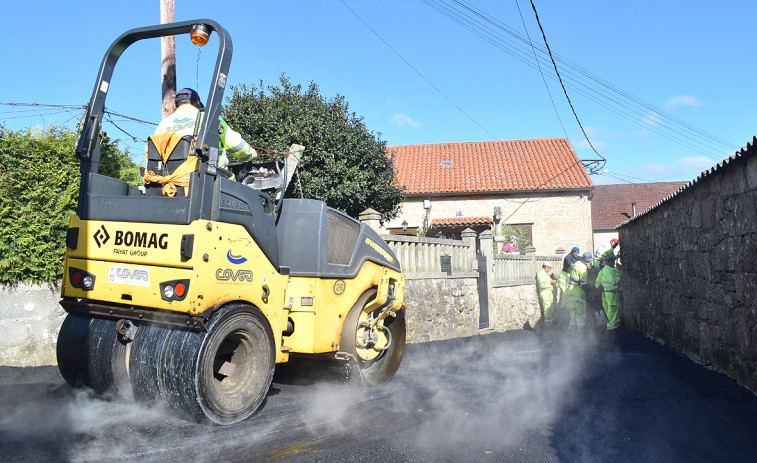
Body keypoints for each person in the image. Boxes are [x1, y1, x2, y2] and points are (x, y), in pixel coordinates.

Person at [155, 88, 257, 167]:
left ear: (176, 105)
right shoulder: (208, 117)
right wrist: (251, 154)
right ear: (198, 102)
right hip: (210, 179)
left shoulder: (164, 124)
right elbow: (234, 143)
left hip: (171, 180)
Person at [564, 251, 590, 330]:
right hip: (578, 291)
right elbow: (583, 283)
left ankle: (571, 329)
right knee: (580, 311)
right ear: (587, 260)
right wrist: (589, 293)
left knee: (573, 310)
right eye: (589, 261)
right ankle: (580, 330)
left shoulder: (576, 264)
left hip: (571, 290)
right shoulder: (583, 267)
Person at [595, 256, 621, 330]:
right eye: (613, 261)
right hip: (611, 293)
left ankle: (612, 324)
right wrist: (620, 276)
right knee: (612, 309)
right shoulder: (608, 270)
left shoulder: (604, 271)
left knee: (608, 309)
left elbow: (597, 284)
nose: (614, 263)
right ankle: (610, 326)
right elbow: (613, 282)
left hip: (606, 293)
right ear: (609, 262)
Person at [536, 262, 557, 327]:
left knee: (550, 308)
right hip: (545, 292)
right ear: (546, 267)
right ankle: (547, 324)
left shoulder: (545, 274)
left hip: (548, 292)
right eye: (549, 268)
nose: (549, 270)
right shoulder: (541, 273)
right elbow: (542, 285)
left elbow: (548, 281)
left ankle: (550, 323)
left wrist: (552, 281)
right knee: (547, 308)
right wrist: (551, 282)